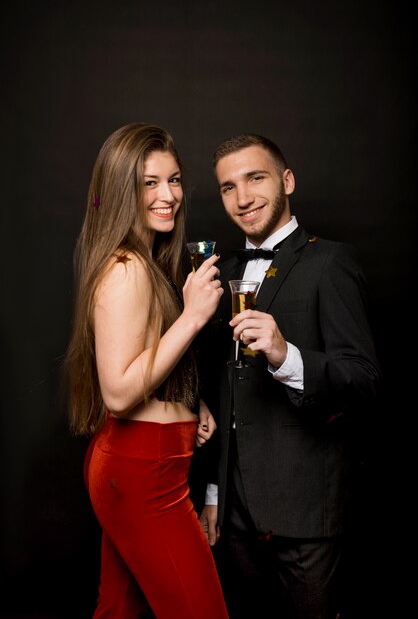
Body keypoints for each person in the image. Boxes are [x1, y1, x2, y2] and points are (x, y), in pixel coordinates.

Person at [198, 133, 381, 619]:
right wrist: (215, 493)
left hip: (307, 514)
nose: (243, 198)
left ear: (287, 180)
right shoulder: (218, 272)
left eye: (255, 178)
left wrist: (286, 356)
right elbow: (221, 392)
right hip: (233, 515)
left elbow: (364, 381)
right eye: (227, 187)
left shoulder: (331, 262)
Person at [66, 122, 229, 619]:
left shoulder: (144, 260)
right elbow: (117, 392)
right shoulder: (127, 267)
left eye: (174, 180)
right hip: (142, 473)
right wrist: (193, 317)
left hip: (139, 466)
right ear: (121, 190)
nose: (168, 196)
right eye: (149, 183)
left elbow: (142, 359)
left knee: (119, 611)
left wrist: (186, 398)